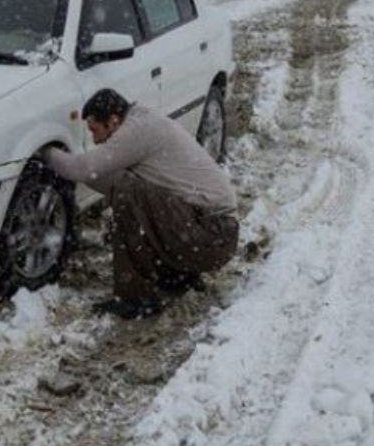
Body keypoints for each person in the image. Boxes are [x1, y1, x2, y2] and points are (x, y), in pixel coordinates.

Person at [43, 89, 239, 319]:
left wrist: (43, 152)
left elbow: (84, 170)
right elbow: (101, 177)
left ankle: (136, 298)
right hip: (209, 232)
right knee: (136, 191)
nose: (95, 140)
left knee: (130, 193)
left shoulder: (136, 132)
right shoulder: (142, 120)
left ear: (114, 120)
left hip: (212, 236)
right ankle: (178, 275)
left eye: (95, 131)